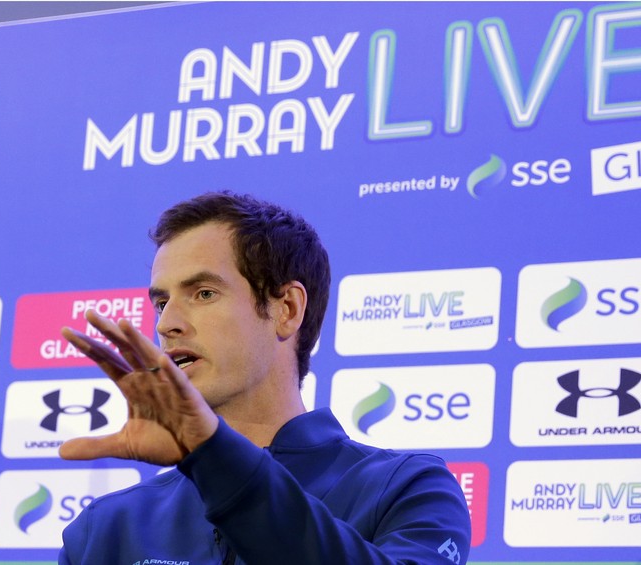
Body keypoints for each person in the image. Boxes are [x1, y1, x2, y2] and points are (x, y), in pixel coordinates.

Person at [57, 191, 471, 565]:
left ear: (286, 309)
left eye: (203, 293)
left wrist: (215, 456)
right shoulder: (105, 529)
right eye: (162, 302)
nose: (167, 324)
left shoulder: (407, 489)